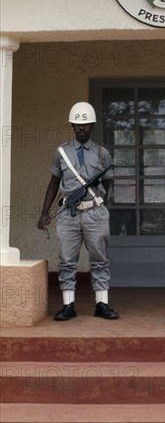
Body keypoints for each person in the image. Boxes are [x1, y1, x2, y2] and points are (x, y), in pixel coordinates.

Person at [37, 102, 119, 321]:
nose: (81, 128)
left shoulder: (102, 154)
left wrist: (101, 204)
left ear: (91, 125)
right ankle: (68, 305)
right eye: (77, 125)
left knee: (100, 260)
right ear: (72, 125)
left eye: (85, 125)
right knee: (66, 260)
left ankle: (102, 304)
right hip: (68, 214)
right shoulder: (61, 153)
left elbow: (109, 183)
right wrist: (44, 213)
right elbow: (54, 183)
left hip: (95, 213)